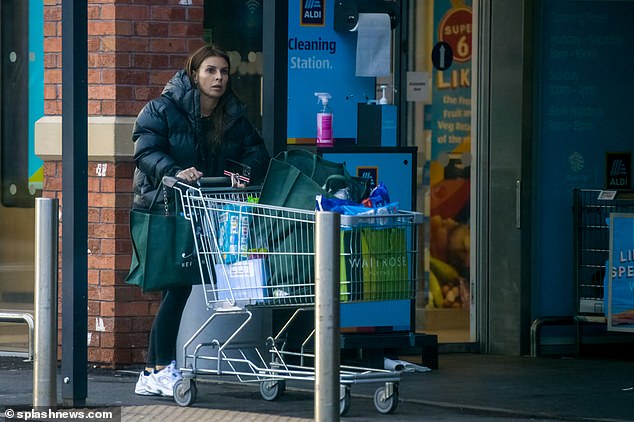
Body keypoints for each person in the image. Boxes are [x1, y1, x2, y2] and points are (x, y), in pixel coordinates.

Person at [131, 45, 270, 396]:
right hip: (165, 208)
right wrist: (176, 172)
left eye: (223, 71)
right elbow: (145, 151)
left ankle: (152, 372)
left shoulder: (232, 115)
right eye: (210, 71)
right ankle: (160, 368)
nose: (218, 78)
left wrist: (239, 173)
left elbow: (256, 152)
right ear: (194, 74)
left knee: (177, 288)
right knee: (177, 287)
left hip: (206, 209)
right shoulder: (162, 109)